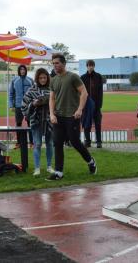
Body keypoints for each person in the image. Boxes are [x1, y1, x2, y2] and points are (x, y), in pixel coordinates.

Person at [48, 53, 97, 181]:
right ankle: (59, 172)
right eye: (53, 63)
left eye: (57, 63)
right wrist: (52, 114)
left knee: (75, 142)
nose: (55, 65)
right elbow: (52, 98)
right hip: (58, 117)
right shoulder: (53, 80)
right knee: (57, 143)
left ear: (64, 64)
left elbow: (84, 93)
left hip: (72, 116)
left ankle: (90, 161)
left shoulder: (73, 77)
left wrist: (80, 109)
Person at [21, 68, 54, 176]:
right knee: (37, 144)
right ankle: (37, 168)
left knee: (50, 143)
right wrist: (33, 104)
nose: (43, 80)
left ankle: (49, 166)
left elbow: (57, 103)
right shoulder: (31, 90)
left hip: (49, 120)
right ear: (37, 78)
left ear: (47, 78)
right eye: (40, 78)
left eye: (45, 77)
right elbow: (24, 105)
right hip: (36, 121)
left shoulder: (52, 90)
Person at [9, 65, 34, 149]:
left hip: (28, 105)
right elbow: (11, 94)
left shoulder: (30, 80)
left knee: (30, 123)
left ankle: (32, 142)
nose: (22, 71)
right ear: (19, 71)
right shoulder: (14, 80)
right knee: (18, 124)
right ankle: (18, 143)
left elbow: (34, 92)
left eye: (24, 69)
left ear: (26, 70)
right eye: (21, 69)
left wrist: (33, 102)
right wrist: (11, 105)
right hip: (18, 105)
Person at [80, 60, 104, 148]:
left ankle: (99, 142)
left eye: (92, 65)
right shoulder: (82, 77)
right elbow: (80, 92)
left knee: (98, 123)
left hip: (96, 104)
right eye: (89, 65)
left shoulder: (98, 77)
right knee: (87, 123)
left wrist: (100, 104)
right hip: (86, 105)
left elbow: (100, 91)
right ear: (86, 66)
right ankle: (87, 141)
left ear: (94, 66)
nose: (90, 67)